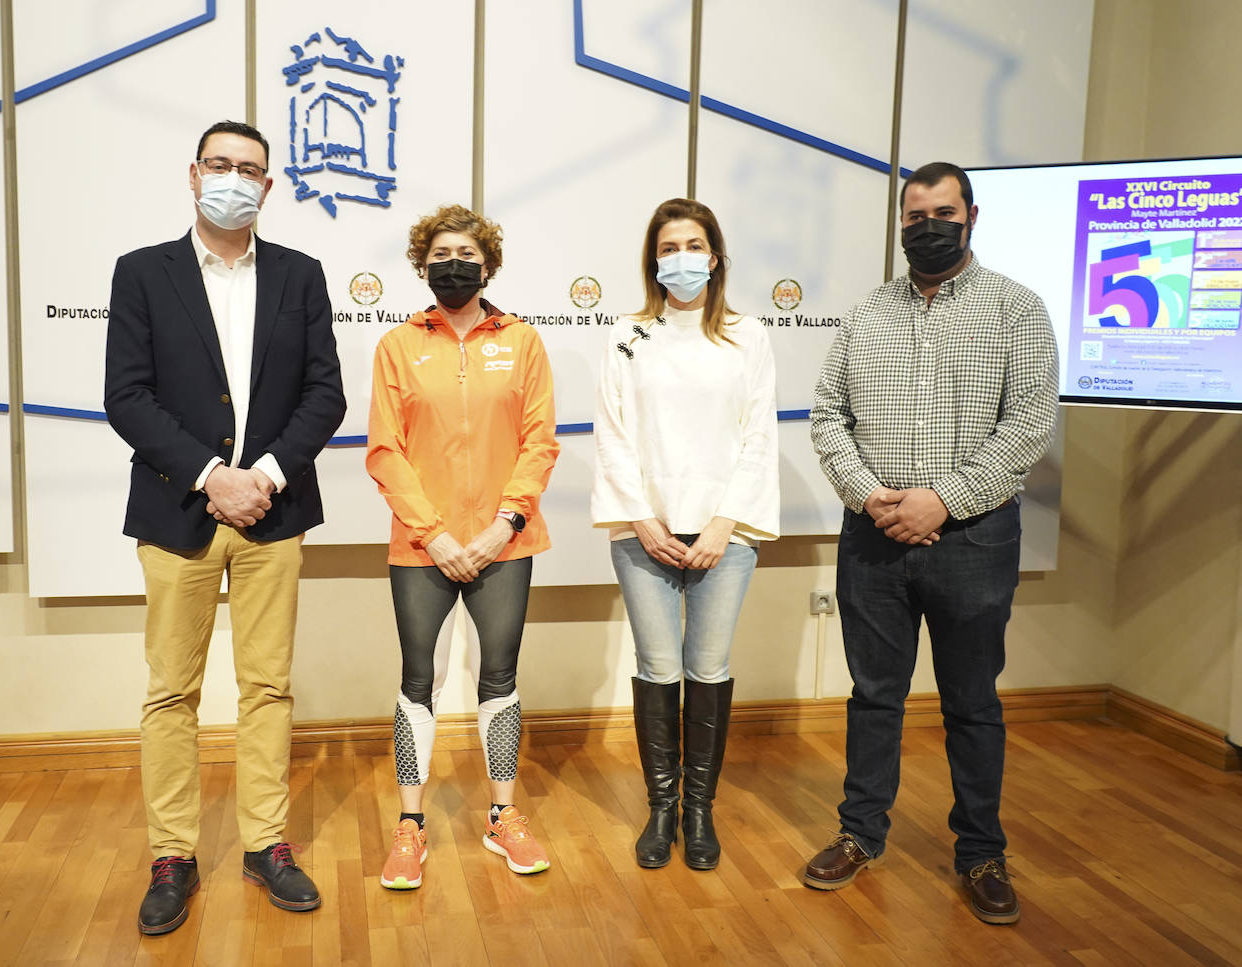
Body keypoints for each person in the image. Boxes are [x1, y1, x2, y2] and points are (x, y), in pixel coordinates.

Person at [105, 120, 345, 935]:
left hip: (275, 512)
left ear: (268, 187)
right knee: (171, 690)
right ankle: (172, 854)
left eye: (249, 169)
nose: (233, 179)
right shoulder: (143, 272)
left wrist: (263, 477)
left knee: (267, 686)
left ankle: (265, 843)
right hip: (178, 509)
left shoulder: (301, 275)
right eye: (220, 164)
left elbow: (325, 393)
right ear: (194, 173)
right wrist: (214, 476)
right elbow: (127, 395)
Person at [805, 161, 1058, 924]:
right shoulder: (866, 314)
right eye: (915, 216)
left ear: (972, 217)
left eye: (943, 213)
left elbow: (1029, 424)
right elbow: (828, 416)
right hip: (873, 535)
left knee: (972, 703)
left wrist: (942, 500)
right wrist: (868, 493)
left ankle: (981, 851)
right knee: (873, 696)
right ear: (901, 224)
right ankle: (859, 833)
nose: (928, 227)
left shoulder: (1017, 309)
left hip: (974, 540)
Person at [366, 204, 560, 890]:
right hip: (424, 545)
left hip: (504, 542)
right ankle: (410, 824)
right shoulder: (397, 345)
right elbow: (385, 450)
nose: (454, 266)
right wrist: (436, 533)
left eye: (467, 255)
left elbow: (540, 441)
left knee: (499, 676)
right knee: (419, 679)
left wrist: (504, 524)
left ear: (488, 266)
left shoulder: (524, 341)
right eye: (441, 256)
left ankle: (502, 815)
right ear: (422, 267)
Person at [591, 198, 779, 871]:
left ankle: (699, 810)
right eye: (668, 247)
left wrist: (724, 525)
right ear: (653, 260)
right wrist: (644, 521)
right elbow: (612, 433)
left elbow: (759, 436)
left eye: (693, 245)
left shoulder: (748, 335)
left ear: (715, 256)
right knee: (658, 669)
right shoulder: (627, 333)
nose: (681, 258)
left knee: (708, 668)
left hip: (725, 534)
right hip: (643, 531)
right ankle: (661, 809)